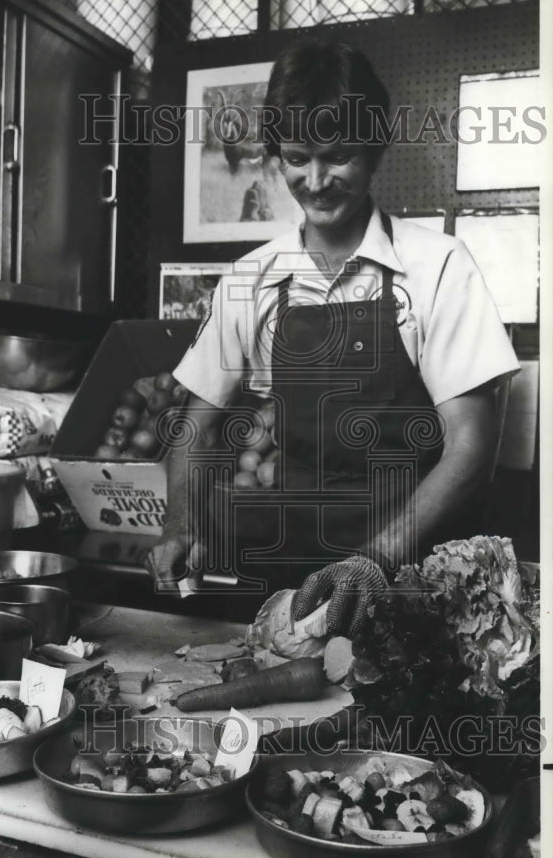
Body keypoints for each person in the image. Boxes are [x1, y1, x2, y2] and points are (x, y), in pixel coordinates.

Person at [145, 40, 519, 635]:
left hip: (420, 582)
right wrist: (180, 525)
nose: (315, 181)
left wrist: (374, 560)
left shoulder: (438, 267)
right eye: (296, 158)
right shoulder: (251, 279)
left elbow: (471, 447)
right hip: (298, 584)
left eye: (338, 156)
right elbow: (195, 423)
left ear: (374, 153)